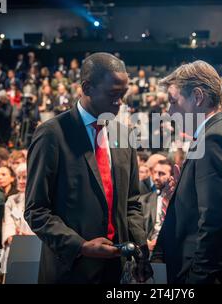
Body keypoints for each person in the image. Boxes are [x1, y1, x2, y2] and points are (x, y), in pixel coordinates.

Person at [25, 52, 151, 284]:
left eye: (123, 95)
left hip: (116, 269)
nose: (120, 102)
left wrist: (140, 247)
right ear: (87, 87)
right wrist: (81, 246)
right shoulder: (51, 134)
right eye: (113, 94)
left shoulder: (124, 135)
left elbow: (132, 202)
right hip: (70, 270)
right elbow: (36, 210)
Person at [154, 60, 222, 284]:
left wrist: (195, 282)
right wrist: (182, 196)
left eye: (173, 102)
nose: (169, 112)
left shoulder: (213, 140)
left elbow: (216, 227)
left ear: (198, 97)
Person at [1, 163, 35, 272]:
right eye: (18, 177)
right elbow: (8, 226)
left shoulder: (44, 200)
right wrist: (13, 237)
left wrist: (31, 238)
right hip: (15, 246)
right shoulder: (11, 200)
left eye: (24, 177)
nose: (20, 181)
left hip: (37, 247)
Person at [139, 159, 173, 252]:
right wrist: (145, 242)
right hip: (149, 249)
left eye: (162, 173)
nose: (156, 177)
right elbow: (138, 226)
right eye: (154, 172)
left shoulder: (180, 201)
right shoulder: (144, 200)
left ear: (172, 176)